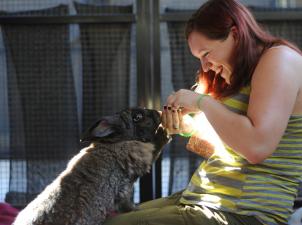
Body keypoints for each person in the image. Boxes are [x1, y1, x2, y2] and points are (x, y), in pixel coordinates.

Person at [104, 0, 302, 225]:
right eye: (199, 58)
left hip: (244, 211)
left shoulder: (280, 59)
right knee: (107, 215)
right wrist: (187, 128)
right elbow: (224, 150)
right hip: (204, 198)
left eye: (206, 53)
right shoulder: (233, 74)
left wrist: (202, 102)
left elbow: (257, 148)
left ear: (235, 34)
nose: (205, 66)